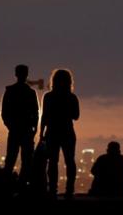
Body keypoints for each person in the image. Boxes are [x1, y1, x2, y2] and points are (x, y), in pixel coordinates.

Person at [39, 69, 79, 199]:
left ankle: (52, 190)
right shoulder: (72, 97)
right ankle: (69, 190)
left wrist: (41, 133)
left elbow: (44, 117)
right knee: (70, 161)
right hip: (67, 131)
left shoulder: (48, 96)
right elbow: (76, 116)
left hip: (52, 132)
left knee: (52, 162)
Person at [1, 64, 39, 189]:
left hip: (17, 129)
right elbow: (36, 112)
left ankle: (7, 186)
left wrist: (10, 126)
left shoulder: (10, 91)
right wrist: (34, 128)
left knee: (12, 158)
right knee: (25, 160)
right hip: (25, 130)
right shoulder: (30, 92)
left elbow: (4, 112)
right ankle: (22, 186)